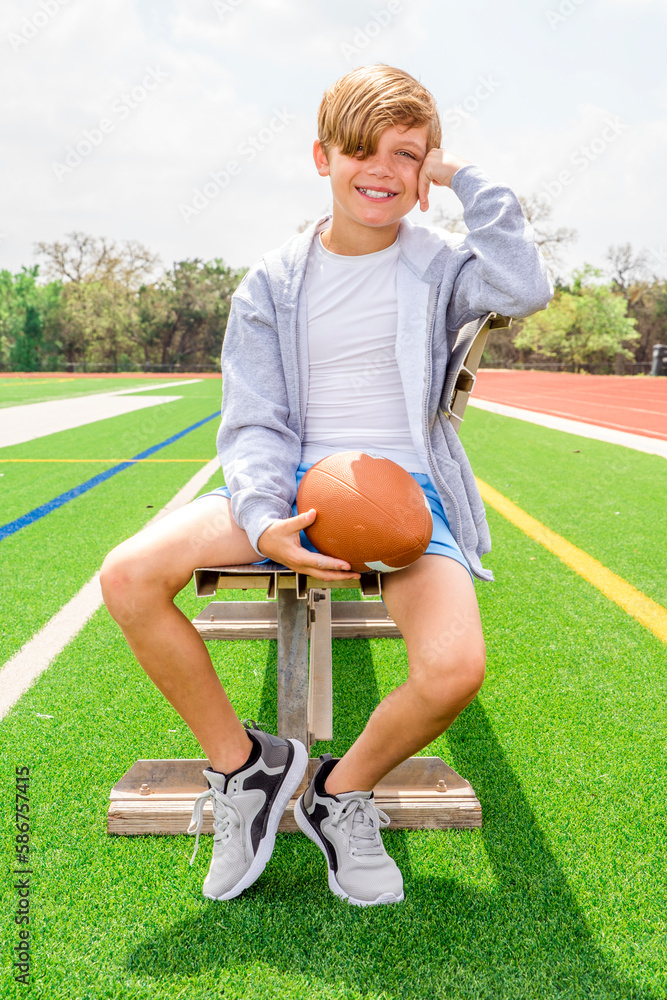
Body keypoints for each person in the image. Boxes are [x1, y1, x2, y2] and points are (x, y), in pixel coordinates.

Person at [100, 63, 553, 908]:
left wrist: (464, 179)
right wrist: (268, 519)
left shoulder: (442, 266)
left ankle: (342, 794)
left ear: (425, 173)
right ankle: (250, 771)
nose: (381, 169)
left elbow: (525, 285)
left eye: (406, 155)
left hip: (407, 489)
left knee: (453, 670)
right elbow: (254, 420)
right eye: (361, 151)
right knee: (128, 574)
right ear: (322, 157)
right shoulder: (272, 282)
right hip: (298, 477)